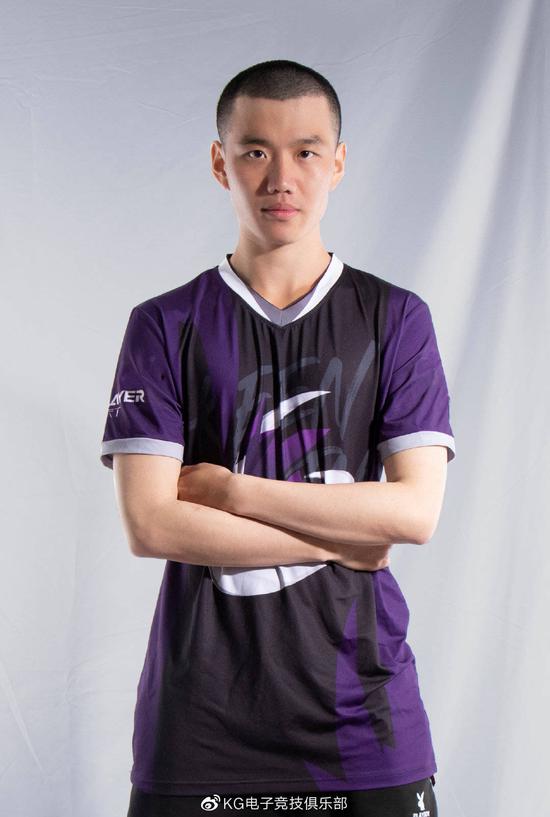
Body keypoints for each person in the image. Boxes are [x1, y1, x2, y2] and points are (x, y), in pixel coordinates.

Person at [100, 59, 455, 817]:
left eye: (306, 151)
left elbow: (414, 513)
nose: (281, 178)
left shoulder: (395, 318)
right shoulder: (165, 324)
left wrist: (229, 491)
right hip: (200, 724)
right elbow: (151, 524)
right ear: (219, 162)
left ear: (339, 162)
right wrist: (347, 538)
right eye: (256, 150)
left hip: (366, 720)